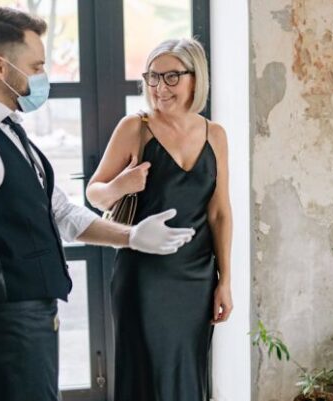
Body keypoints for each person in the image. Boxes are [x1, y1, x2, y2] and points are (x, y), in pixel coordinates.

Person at [0, 8, 194, 401]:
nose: (42, 76)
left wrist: (132, 236)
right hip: (3, 322)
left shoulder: (10, 133)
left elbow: (61, 212)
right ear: (0, 67)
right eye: (35, 66)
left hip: (32, 316)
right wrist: (1, 270)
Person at [86, 38, 233, 401]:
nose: (158, 87)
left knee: (188, 374)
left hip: (197, 278)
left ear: (195, 79)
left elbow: (219, 212)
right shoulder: (135, 128)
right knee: (147, 377)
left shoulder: (215, 135)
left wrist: (225, 280)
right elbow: (94, 194)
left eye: (171, 77)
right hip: (144, 277)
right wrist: (121, 185)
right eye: (152, 77)